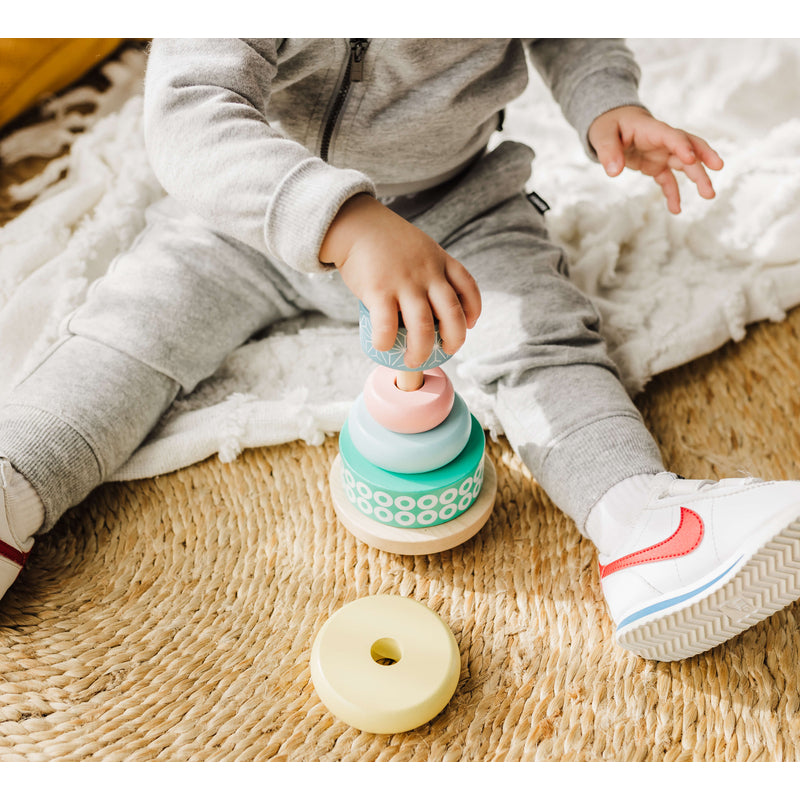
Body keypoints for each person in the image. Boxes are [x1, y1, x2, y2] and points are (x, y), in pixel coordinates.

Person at [2, 38, 799, 662]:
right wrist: (344, 222)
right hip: (247, 216)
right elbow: (189, 107)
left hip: (455, 206)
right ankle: (16, 485)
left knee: (544, 338)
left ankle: (645, 524)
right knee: (128, 334)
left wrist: (606, 102)